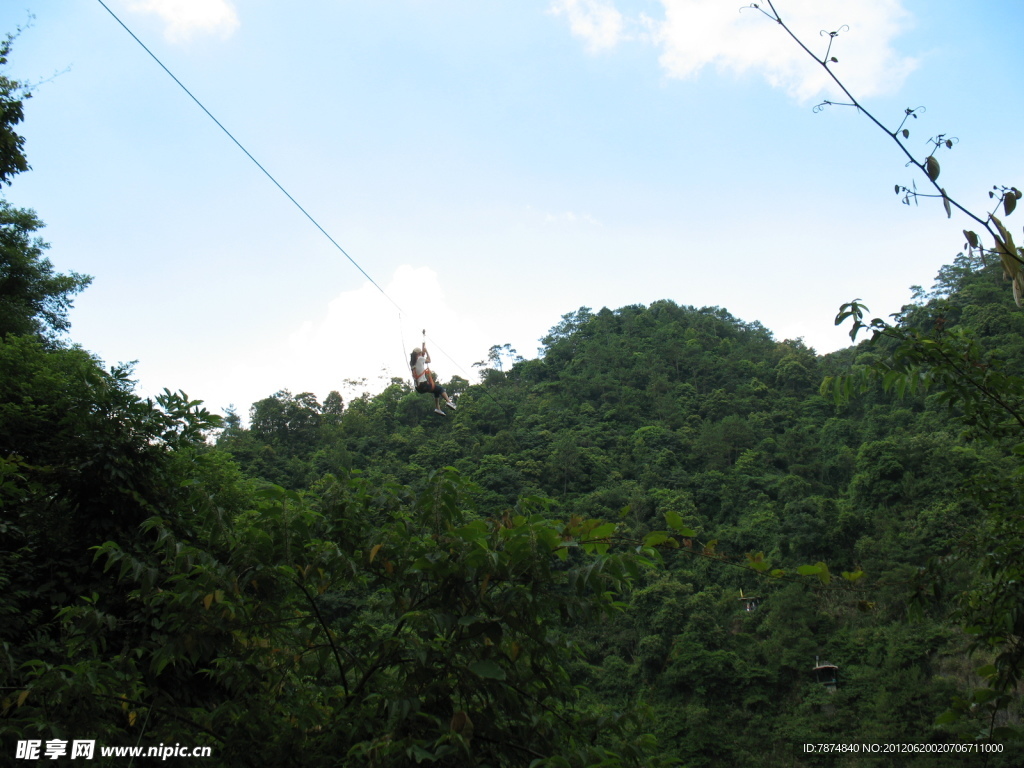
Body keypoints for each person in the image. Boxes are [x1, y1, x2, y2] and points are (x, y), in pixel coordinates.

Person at [410, 343, 456, 416]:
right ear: (419, 354)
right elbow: (429, 360)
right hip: (423, 385)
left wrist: (423, 348)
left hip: (418, 388)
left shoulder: (412, 363)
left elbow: (422, 356)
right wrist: (427, 351)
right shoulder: (420, 359)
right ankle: (449, 402)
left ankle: (438, 408)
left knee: (436, 391)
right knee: (441, 389)